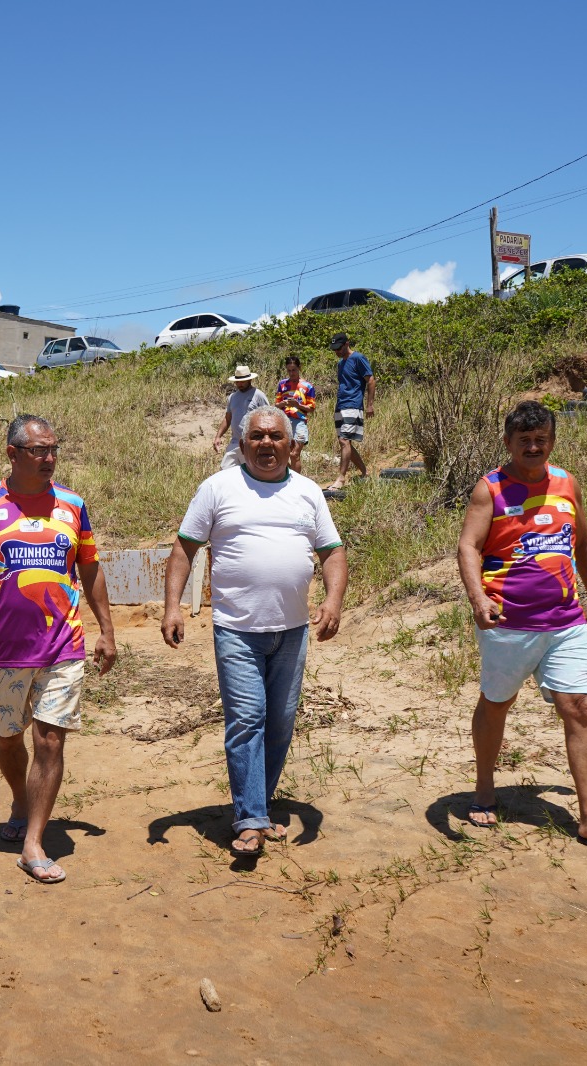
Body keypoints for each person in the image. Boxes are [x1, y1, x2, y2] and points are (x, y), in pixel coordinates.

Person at [162, 406, 348, 857]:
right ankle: (249, 820)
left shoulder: (308, 493)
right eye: (258, 437)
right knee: (247, 721)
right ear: (243, 444)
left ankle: (259, 806)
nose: (267, 444)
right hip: (236, 630)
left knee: (280, 724)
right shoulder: (218, 488)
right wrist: (172, 607)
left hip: (293, 631)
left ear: (291, 444)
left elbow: (333, 553)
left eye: (276, 437)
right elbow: (184, 550)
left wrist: (334, 600)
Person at [0, 414, 117, 884]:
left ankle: (33, 842)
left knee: (50, 738)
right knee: (8, 737)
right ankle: (20, 799)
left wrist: (107, 629)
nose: (49, 458)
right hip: (2, 647)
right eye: (39, 450)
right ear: (13, 454)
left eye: (53, 449)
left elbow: (90, 568)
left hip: (63, 642)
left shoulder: (73, 505)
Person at [456, 400, 587, 848]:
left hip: (565, 620)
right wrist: (478, 598)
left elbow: (585, 543)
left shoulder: (566, 482)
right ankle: (484, 789)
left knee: (581, 708)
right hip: (508, 623)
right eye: (524, 441)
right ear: (508, 443)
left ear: (552, 440)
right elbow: (468, 548)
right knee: (497, 704)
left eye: (541, 440)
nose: (533, 448)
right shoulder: (490, 489)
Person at [326, 333, 374, 491]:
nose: (337, 352)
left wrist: (369, 405)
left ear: (347, 343)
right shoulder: (340, 363)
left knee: (344, 441)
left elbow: (371, 380)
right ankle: (365, 472)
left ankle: (341, 478)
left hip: (353, 404)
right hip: (341, 404)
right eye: (334, 349)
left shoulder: (359, 358)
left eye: (339, 348)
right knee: (345, 441)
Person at [212, 364, 270, 470]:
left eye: (242, 382)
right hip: (235, 442)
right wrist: (218, 436)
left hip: (252, 442)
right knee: (224, 470)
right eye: (237, 382)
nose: (240, 384)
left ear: (249, 380)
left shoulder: (258, 395)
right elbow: (227, 418)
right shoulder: (232, 397)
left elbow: (269, 417)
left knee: (252, 472)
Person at [273, 355, 317, 474]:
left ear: (299, 368)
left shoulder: (308, 386)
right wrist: (282, 403)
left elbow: (311, 408)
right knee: (282, 453)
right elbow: (276, 405)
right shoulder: (282, 384)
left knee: (295, 453)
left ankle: (297, 482)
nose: (291, 373)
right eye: (289, 370)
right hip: (284, 421)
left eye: (294, 370)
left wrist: (297, 405)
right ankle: (287, 476)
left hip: (299, 422)